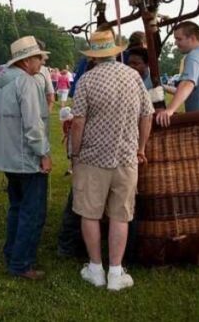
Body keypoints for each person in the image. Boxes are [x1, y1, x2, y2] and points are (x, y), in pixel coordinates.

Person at [68, 29, 153, 291]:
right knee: (121, 215)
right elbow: (147, 115)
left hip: (92, 157)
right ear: (116, 52)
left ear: (93, 56)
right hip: (126, 157)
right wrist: (140, 148)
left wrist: (74, 152)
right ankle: (115, 273)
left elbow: (78, 122)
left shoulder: (86, 80)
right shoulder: (134, 77)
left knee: (89, 213)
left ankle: (95, 269)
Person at [0, 36, 52, 280]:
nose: (41, 63)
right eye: (39, 58)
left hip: (7, 155)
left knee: (16, 207)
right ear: (26, 60)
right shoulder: (27, 82)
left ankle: (12, 252)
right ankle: (22, 263)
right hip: (25, 157)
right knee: (32, 212)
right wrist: (43, 153)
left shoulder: (2, 80)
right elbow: (33, 124)